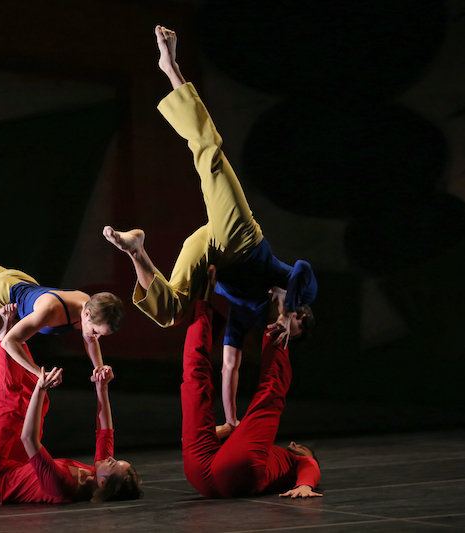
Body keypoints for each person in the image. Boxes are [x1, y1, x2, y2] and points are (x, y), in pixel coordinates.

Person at [103, 26, 316, 437]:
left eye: (286, 332)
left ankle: (136, 250)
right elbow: (304, 266)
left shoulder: (250, 315)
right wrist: (292, 306)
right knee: (211, 158)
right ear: (298, 314)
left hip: (209, 254)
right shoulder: (295, 285)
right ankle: (172, 69)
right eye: (292, 324)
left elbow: (231, 364)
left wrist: (231, 419)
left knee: (168, 313)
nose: (281, 327)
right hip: (241, 237)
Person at [0, 193, 123, 380]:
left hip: (18, 280)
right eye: (96, 331)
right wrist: (39, 374)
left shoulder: (88, 303)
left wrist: (99, 366)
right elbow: (9, 342)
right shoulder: (51, 311)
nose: (95, 337)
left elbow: (90, 340)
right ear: (87, 315)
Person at [0, 304, 143, 504]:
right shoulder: (97, 471)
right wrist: (102, 388)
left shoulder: (63, 486)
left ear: (103, 484)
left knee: (11, 409)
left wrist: (41, 388)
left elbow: (29, 439)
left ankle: (4, 335)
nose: (111, 458)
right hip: (17, 465)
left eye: (113, 464)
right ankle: (15, 341)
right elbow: (105, 432)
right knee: (40, 405)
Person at [180, 266, 321, 499]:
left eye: (304, 449)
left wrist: (305, 485)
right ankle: (204, 304)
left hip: (234, 470)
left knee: (271, 393)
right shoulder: (273, 455)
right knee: (194, 385)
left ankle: (269, 319)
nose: (295, 443)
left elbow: (310, 465)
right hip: (201, 478)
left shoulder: (299, 460)